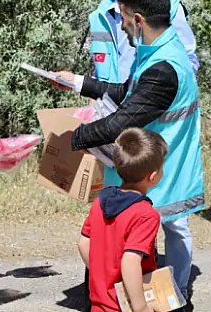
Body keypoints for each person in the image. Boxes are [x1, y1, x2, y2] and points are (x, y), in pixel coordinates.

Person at [53, 0, 204, 310]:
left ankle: (170, 302)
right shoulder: (159, 51)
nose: (120, 26)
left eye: (122, 18)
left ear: (139, 20)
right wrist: (78, 83)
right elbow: (129, 91)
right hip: (155, 164)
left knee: (157, 240)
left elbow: (122, 121)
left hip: (164, 168)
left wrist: (69, 137)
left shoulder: (165, 67)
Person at [79, 128, 167, 312]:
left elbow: (84, 243)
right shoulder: (145, 215)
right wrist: (141, 307)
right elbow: (130, 261)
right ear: (152, 176)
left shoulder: (100, 202)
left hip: (100, 303)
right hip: (124, 306)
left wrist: (103, 278)